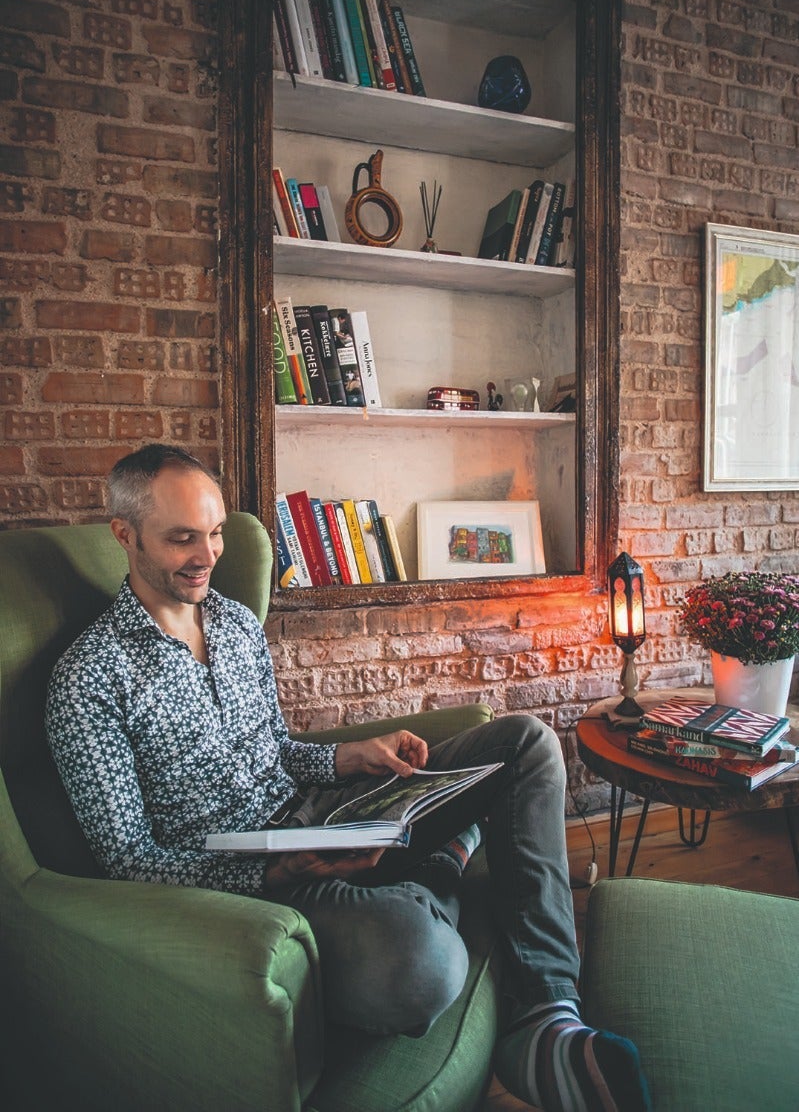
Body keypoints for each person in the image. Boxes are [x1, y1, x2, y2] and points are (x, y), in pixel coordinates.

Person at [46, 444, 650, 1112]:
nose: (207, 555)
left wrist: (351, 756)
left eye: (215, 533)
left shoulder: (236, 622)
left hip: (323, 809)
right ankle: (438, 868)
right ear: (124, 535)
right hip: (261, 887)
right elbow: (127, 860)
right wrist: (277, 870)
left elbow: (273, 749)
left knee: (525, 742)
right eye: (182, 538)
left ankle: (546, 1015)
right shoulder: (89, 678)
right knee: (422, 964)